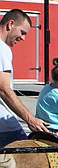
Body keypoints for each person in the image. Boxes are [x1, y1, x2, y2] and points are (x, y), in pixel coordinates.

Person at [0, 9, 48, 146]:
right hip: (5, 126)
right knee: (32, 159)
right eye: (22, 32)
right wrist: (30, 119)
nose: (23, 38)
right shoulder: (2, 49)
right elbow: (3, 89)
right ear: (10, 24)